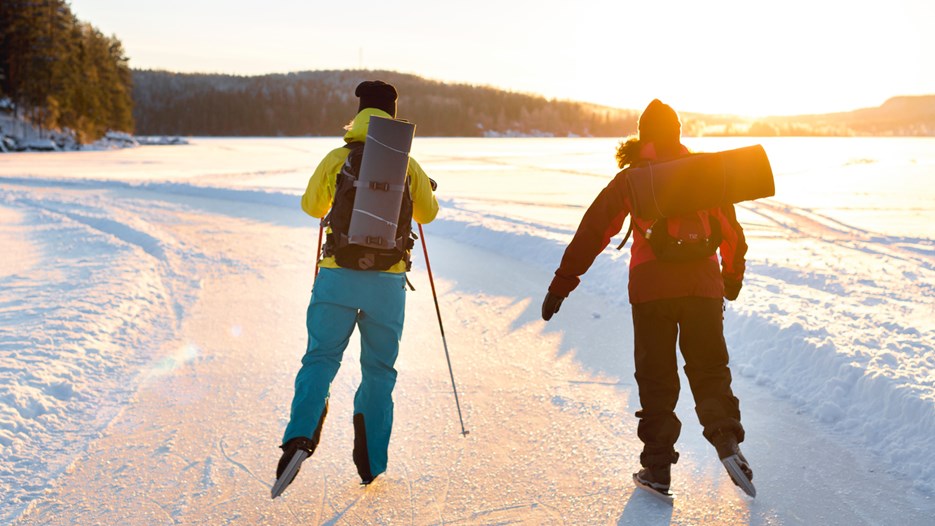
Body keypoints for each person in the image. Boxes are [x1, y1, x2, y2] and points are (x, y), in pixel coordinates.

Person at [541, 99, 753, 497]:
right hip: (702, 288)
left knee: (656, 376)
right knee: (709, 368)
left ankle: (657, 469)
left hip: (651, 288)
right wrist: (730, 278)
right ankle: (726, 440)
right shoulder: (705, 172)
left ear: (643, 136)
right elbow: (732, 232)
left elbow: (594, 230)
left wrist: (562, 283)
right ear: (678, 133)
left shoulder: (633, 178)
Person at [278, 80, 439, 487]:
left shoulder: (338, 156)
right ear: (393, 115)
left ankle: (299, 437)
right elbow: (428, 214)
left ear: (360, 114)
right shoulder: (408, 164)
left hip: (337, 275)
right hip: (387, 283)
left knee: (320, 358)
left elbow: (311, 206)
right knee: (379, 370)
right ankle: (371, 462)